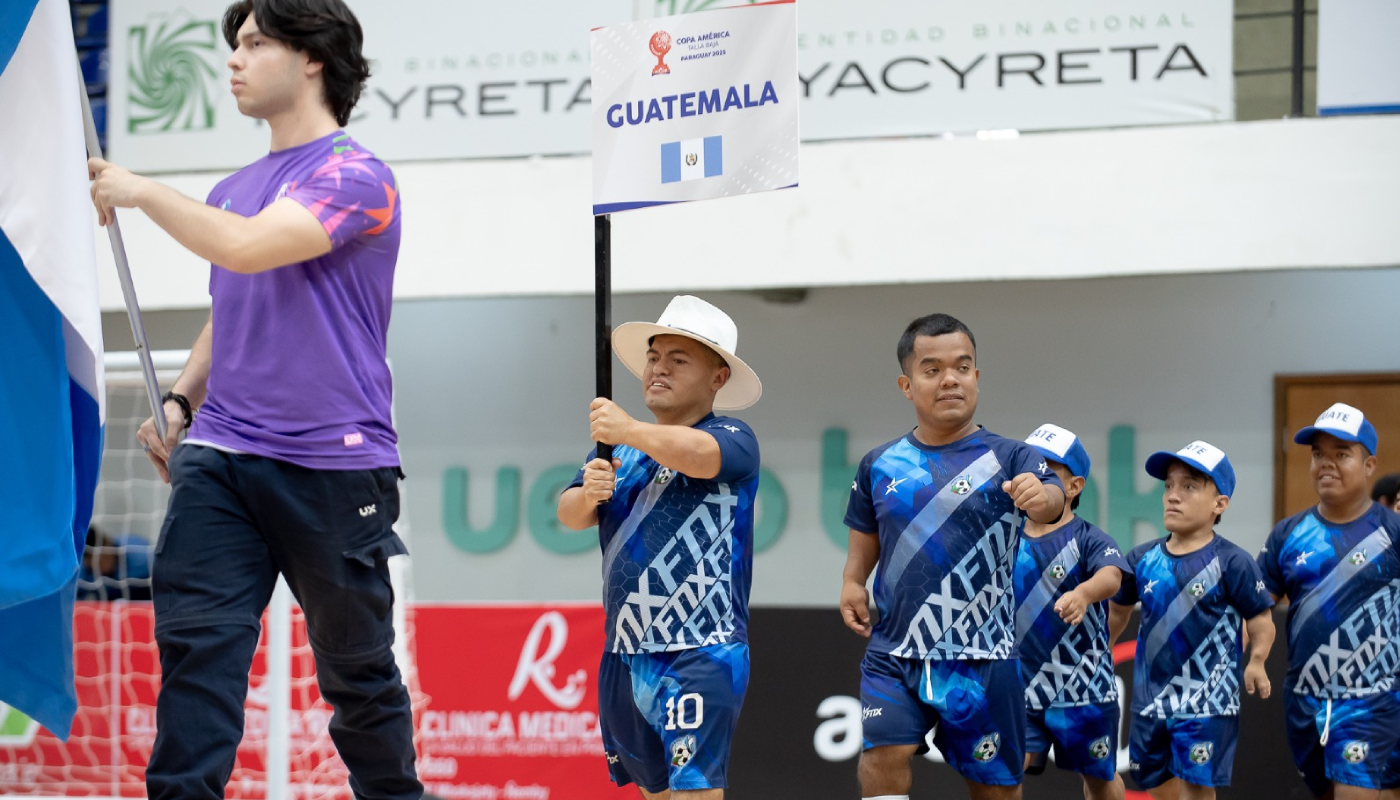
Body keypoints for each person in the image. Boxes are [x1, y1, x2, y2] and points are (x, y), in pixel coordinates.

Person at [88, 2, 418, 799]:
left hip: (333, 466)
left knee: (357, 677)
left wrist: (141, 191)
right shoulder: (234, 186)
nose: (233, 59)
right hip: (220, 460)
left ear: (312, 58)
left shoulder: (356, 176)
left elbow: (244, 246)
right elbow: (231, 306)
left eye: (255, 43)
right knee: (198, 664)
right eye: (232, 44)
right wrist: (179, 400)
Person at [840, 313, 1067, 800]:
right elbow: (865, 533)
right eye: (932, 369)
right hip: (895, 652)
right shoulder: (880, 463)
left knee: (995, 790)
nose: (950, 379)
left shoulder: (1014, 456)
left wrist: (1039, 495)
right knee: (881, 757)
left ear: (977, 377)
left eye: (962, 367)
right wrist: (853, 583)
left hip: (982, 656)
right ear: (907, 384)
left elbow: (1052, 501)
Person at [557, 295, 763, 800]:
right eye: (654, 357)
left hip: (701, 648)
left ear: (717, 377)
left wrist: (627, 428)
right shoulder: (615, 449)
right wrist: (590, 492)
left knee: (695, 793)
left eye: (679, 360)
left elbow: (700, 456)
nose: (658, 370)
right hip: (624, 652)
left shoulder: (732, 435)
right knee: (657, 794)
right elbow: (568, 513)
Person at [1108, 441, 1275, 800]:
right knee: (1156, 785)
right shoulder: (1141, 559)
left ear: (1220, 504)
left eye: (1189, 486)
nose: (1172, 495)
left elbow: (1261, 618)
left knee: (1198, 789)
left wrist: (1257, 660)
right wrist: (1101, 650)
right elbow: (1118, 611)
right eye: (1168, 485)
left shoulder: (1233, 562)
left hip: (1208, 704)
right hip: (1149, 703)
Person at [1257, 403, 1400, 800]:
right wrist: (1254, 654)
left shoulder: (1393, 531)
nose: (1326, 463)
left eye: (1341, 454)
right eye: (1319, 453)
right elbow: (1259, 604)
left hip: (1372, 698)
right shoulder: (1288, 533)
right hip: (1303, 699)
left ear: (1369, 465)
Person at [1013, 424, 1129, 800]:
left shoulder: (1088, 538)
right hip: (1020, 688)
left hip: (1083, 691)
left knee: (1098, 779)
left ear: (1075, 486)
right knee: (1004, 770)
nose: (1033, 475)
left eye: (1047, 468)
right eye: (1028, 465)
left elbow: (1112, 577)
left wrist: (1082, 593)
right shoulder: (1005, 536)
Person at [77, 523, 153, 601]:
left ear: (109, 543)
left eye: (106, 558)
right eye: (97, 564)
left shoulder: (142, 555)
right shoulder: (81, 573)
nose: (104, 566)